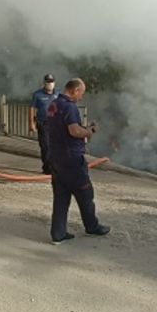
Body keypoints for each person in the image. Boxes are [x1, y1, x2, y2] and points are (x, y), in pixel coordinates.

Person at [45, 78, 111, 244]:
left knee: (61, 197)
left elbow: (60, 128)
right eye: (81, 93)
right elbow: (74, 131)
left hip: (56, 157)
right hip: (72, 160)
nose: (81, 97)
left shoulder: (54, 104)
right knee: (85, 194)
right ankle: (92, 227)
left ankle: (58, 234)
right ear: (74, 91)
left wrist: (84, 129)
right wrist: (90, 131)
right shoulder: (70, 107)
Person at [29, 73, 58, 174]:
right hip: (43, 123)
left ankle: (54, 166)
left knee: (55, 146)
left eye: (51, 82)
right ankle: (47, 168)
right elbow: (32, 108)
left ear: (54, 83)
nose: (50, 84)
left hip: (55, 124)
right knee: (45, 146)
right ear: (44, 83)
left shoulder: (57, 94)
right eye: (48, 82)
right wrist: (32, 123)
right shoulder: (37, 94)